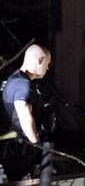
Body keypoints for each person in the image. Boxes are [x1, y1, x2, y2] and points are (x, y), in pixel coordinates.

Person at [1, 44, 52, 180]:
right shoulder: (23, 84)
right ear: (40, 60)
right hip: (21, 150)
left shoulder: (15, 78)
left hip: (13, 147)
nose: (47, 68)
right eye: (47, 63)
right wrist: (37, 145)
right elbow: (24, 117)